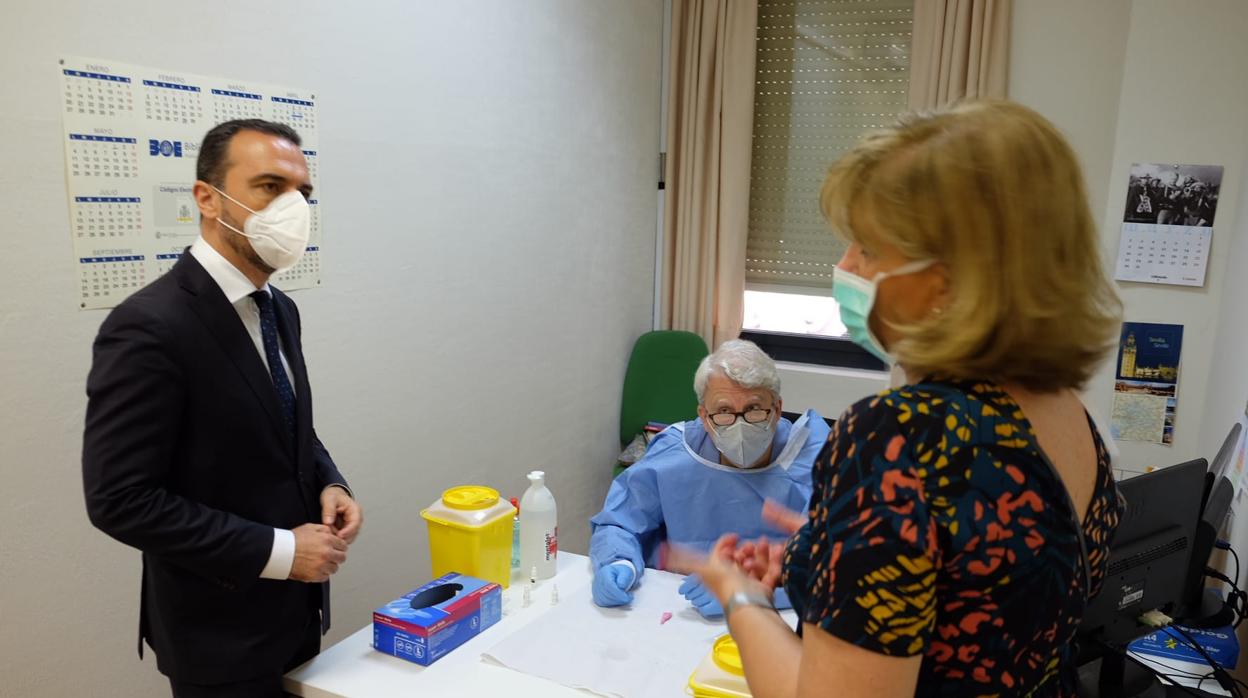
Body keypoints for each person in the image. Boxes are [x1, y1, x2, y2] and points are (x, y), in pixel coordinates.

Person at [677, 101, 1124, 697]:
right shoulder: (1070, 414)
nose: (843, 266)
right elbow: (990, 585)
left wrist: (740, 595)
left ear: (945, 281)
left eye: (866, 247)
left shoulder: (896, 434)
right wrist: (835, 553)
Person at [82, 119, 362, 698]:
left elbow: (282, 423)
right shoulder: (149, 325)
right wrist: (283, 550)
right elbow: (120, 499)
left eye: (302, 193)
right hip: (218, 636)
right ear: (207, 198)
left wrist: (330, 481)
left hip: (297, 612)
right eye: (268, 186)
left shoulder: (277, 307)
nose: (293, 207)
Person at [588, 339, 829, 617]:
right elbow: (619, 522)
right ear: (703, 415)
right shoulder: (675, 455)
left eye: (754, 409)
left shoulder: (813, 459)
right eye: (724, 411)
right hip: (679, 608)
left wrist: (754, 593)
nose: (740, 425)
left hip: (779, 616)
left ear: (776, 409)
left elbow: (840, 564)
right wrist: (619, 563)